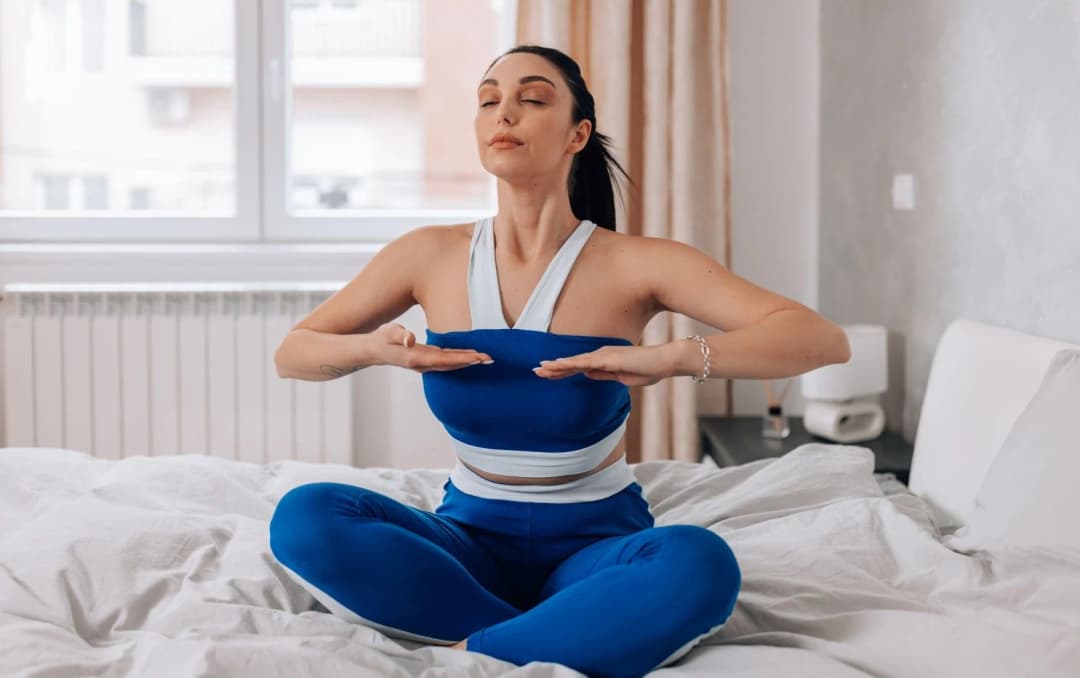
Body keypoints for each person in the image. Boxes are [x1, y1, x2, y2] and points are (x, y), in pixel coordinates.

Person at [269, 44, 851, 678]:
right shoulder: (427, 255)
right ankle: (551, 630)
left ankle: (475, 650)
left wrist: (670, 359)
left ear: (579, 133)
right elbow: (294, 352)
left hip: (596, 545)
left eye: (532, 98)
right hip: (467, 543)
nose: (503, 113)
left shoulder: (637, 263)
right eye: (489, 100)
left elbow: (819, 339)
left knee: (698, 562)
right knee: (306, 515)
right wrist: (374, 351)